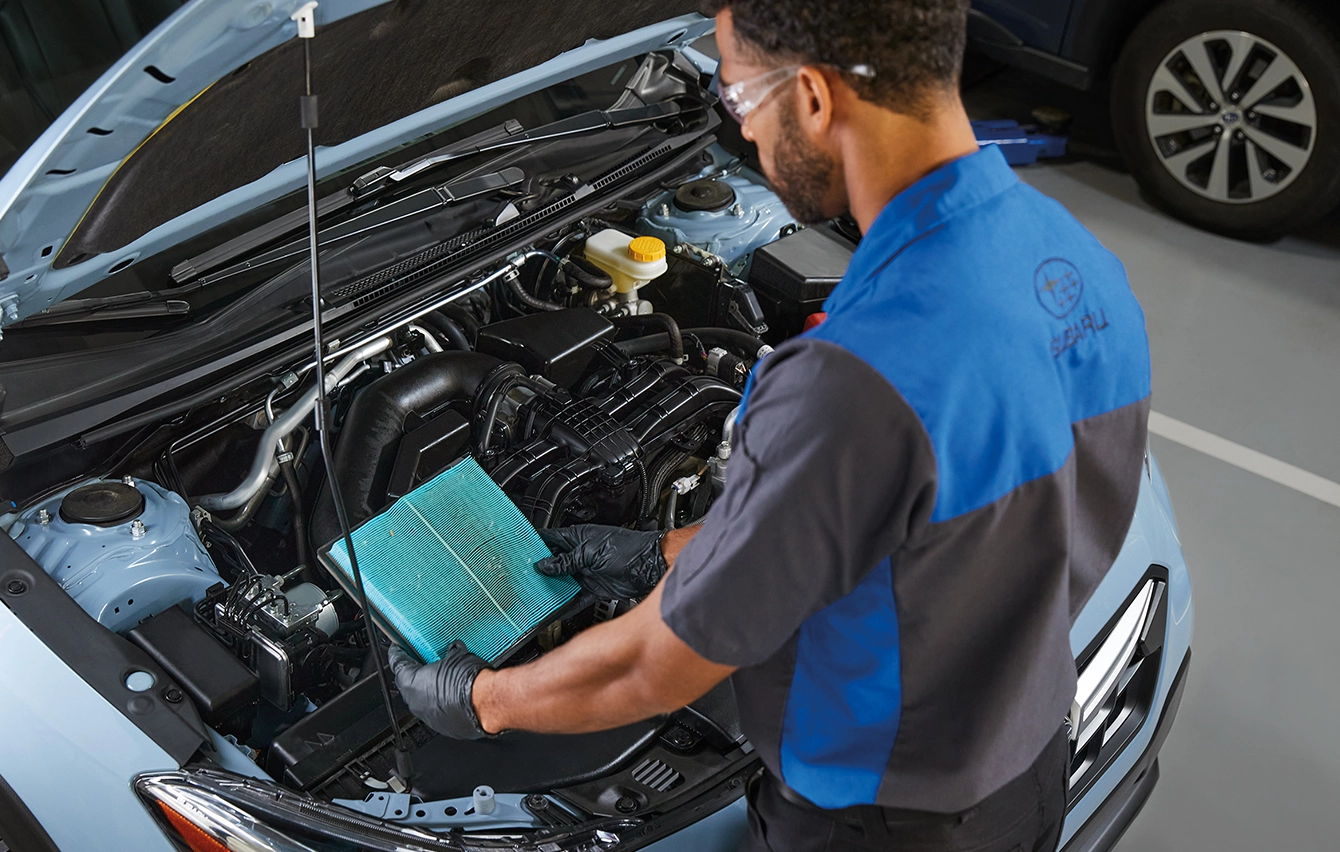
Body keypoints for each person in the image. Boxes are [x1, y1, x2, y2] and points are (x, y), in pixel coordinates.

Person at [389, 1, 1152, 849]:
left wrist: (482, 701)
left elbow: (658, 665)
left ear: (817, 99)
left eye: (741, 98)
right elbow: (915, 520)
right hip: (1031, 765)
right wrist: (669, 552)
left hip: (879, 823)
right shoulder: (1078, 265)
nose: (744, 134)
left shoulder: (849, 383)